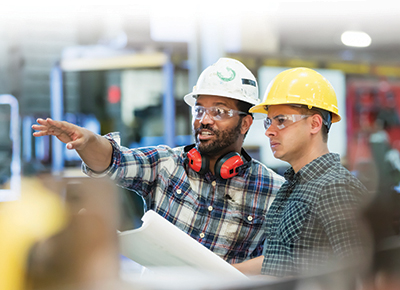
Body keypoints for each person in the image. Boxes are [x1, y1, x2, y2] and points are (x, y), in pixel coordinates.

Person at [32, 57, 284, 264]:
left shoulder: (273, 190)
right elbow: (113, 161)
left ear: (246, 122)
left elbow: (278, 263)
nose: (204, 120)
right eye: (199, 109)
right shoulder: (166, 164)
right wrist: (87, 141)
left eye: (218, 111)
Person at [232, 67, 373, 277]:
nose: (269, 130)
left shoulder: (336, 189)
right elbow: (278, 259)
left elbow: (363, 273)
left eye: (281, 120)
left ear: (315, 124)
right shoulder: (291, 186)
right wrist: (221, 272)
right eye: (269, 121)